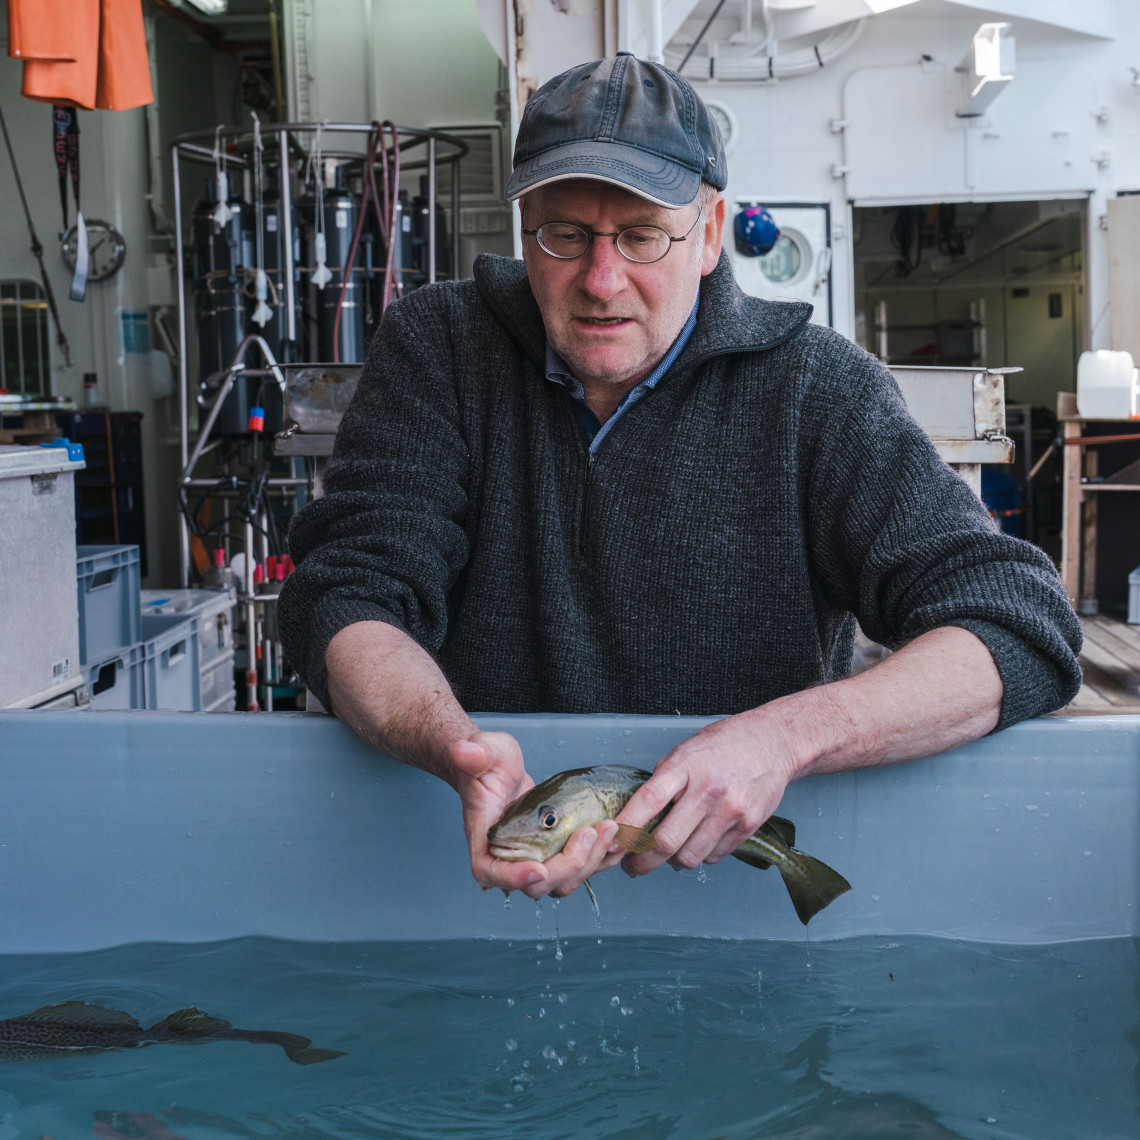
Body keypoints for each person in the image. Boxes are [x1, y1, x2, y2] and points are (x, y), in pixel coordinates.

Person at [278, 54, 1081, 905]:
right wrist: (454, 748)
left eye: (641, 236)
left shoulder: (817, 390)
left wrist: (784, 739)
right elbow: (347, 597)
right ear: (524, 230)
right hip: (471, 885)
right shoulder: (438, 349)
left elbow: (1019, 624)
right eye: (566, 235)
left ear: (710, 234)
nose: (600, 280)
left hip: (740, 901)